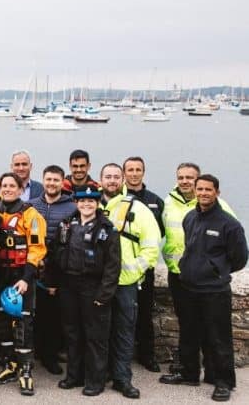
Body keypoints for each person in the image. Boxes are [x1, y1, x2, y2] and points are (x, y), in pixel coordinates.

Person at [159, 174, 247, 402]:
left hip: (214, 291)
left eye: (208, 190)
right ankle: (189, 373)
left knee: (218, 338)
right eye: (200, 189)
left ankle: (223, 382)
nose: (204, 193)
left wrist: (216, 270)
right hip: (188, 287)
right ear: (195, 192)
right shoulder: (190, 217)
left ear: (217, 192)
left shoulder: (229, 224)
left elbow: (239, 259)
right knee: (189, 333)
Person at [50, 185, 121, 396]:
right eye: (82, 201)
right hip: (69, 285)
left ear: (97, 203)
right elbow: (56, 253)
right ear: (76, 202)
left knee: (95, 336)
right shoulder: (66, 224)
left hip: (93, 286)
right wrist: (53, 282)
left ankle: (95, 380)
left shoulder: (107, 228)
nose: (86, 204)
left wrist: (104, 295)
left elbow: (113, 265)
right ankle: (74, 375)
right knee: (72, 333)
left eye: (91, 201)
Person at [99, 163, 161, 399]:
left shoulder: (139, 209)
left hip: (126, 283)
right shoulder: (90, 205)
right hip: (98, 283)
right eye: (108, 177)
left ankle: (122, 378)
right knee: (99, 331)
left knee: (124, 331)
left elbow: (152, 246)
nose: (112, 180)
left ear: (123, 179)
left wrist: (135, 271)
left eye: (116, 177)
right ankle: (100, 373)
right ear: (100, 179)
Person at [0, 172, 47, 396]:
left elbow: (37, 249)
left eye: (12, 186)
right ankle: (10, 365)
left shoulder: (31, 215)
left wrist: (26, 278)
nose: (7, 189)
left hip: (21, 276)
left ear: (21, 189)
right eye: (4, 185)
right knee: (0, 321)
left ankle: (25, 371)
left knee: (22, 323)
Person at [29, 165, 77, 375]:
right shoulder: (30, 206)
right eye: (48, 179)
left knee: (55, 315)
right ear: (43, 180)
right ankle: (37, 351)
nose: (51, 183)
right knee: (34, 312)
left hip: (59, 268)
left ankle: (50, 355)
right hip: (33, 265)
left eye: (56, 180)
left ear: (62, 182)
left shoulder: (72, 208)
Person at [122, 156, 165, 373]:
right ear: (124, 173)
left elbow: (160, 233)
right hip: (121, 270)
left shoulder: (155, 200)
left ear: (143, 172)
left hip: (145, 268)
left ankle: (147, 355)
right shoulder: (117, 201)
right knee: (121, 315)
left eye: (138, 169)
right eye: (130, 169)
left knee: (145, 313)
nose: (134, 173)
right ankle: (121, 356)